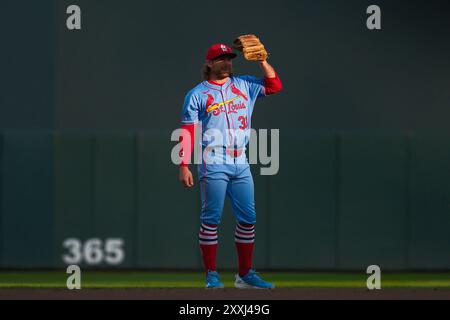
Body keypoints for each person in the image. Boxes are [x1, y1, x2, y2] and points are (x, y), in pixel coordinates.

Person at [178, 42, 282, 288]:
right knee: (211, 219)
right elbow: (187, 131)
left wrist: (262, 61)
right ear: (210, 63)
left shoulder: (244, 84)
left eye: (230, 58)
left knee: (248, 218)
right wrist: (183, 164)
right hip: (213, 159)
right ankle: (211, 275)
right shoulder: (197, 94)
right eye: (221, 58)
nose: (227, 62)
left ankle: (244, 275)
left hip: (241, 159)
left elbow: (275, 86)